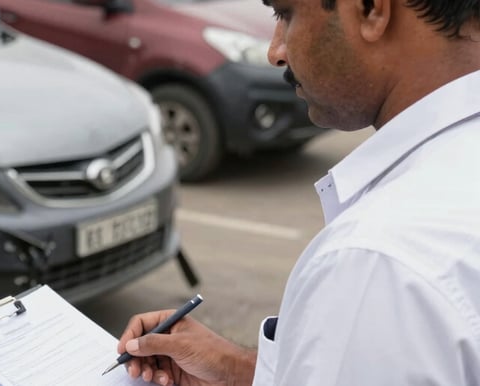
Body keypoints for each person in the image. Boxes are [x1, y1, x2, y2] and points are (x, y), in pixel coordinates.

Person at [116, 0, 480, 384]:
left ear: (372, 9)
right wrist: (239, 370)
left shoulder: (376, 263)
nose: (276, 51)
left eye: (286, 14)